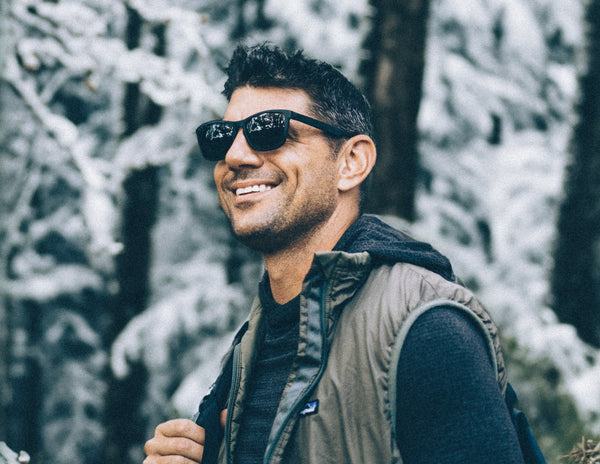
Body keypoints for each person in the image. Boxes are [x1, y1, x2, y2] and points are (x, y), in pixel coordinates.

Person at [144, 43, 526, 464]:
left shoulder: (426, 328)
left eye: (270, 130)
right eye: (221, 137)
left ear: (351, 162)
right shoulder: (254, 346)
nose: (234, 156)